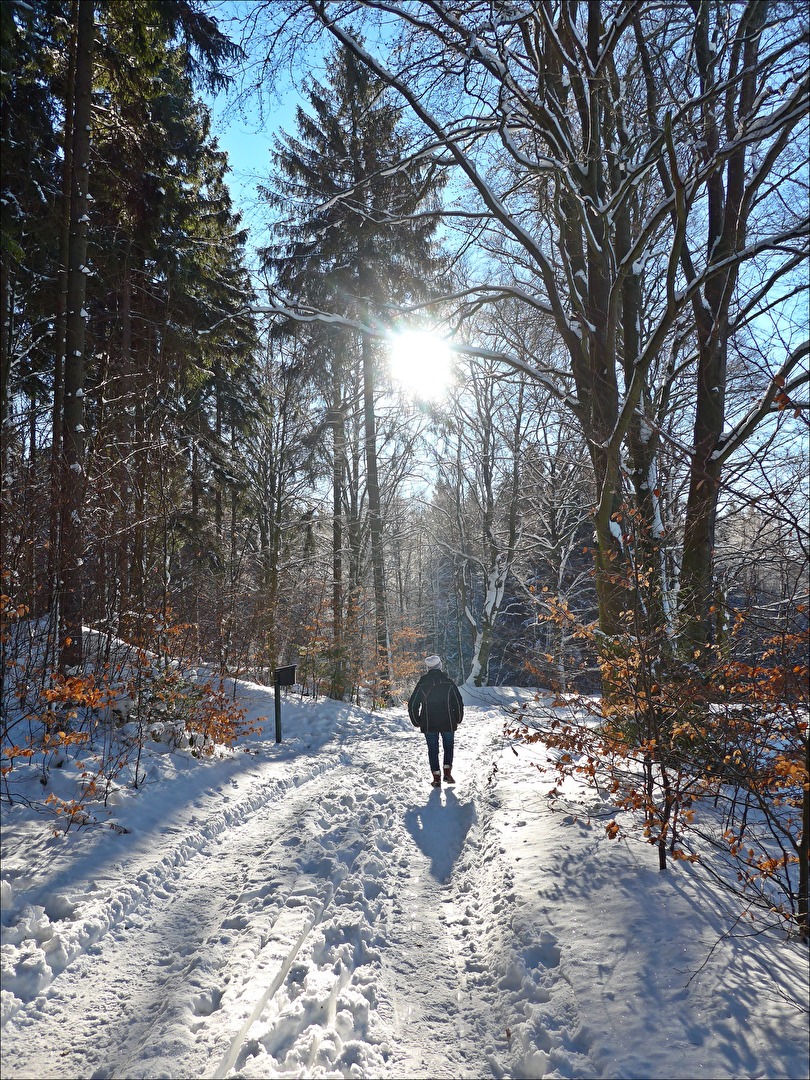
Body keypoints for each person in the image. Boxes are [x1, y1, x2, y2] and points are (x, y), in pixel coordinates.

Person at [408, 655, 464, 787]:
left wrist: (417, 721)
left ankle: (437, 777)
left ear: (428, 667)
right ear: (440, 666)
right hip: (448, 721)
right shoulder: (448, 681)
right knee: (448, 747)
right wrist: (458, 719)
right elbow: (458, 702)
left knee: (432, 749)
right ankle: (448, 773)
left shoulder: (422, 683)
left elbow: (412, 704)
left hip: (428, 722)